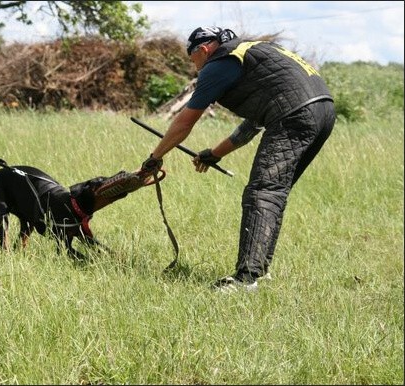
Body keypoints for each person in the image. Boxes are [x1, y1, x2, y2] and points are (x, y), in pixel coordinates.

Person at [138, 26, 336, 291]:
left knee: (263, 193)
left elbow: (185, 122)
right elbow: (251, 125)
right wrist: (214, 154)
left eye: (193, 59)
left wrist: (155, 157)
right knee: (274, 193)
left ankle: (246, 279)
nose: (195, 67)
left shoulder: (219, 64)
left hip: (295, 113)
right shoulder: (254, 55)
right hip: (324, 111)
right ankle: (259, 271)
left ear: (204, 49)